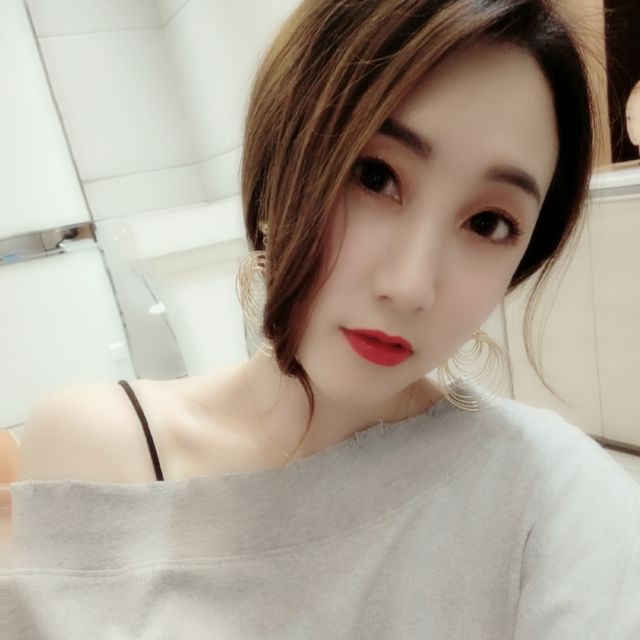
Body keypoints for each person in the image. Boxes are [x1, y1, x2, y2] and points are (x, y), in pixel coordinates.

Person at [9, 0, 640, 638]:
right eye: (375, 176)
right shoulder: (100, 457)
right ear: (282, 154)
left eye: (488, 223)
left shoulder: (549, 491)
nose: (409, 286)